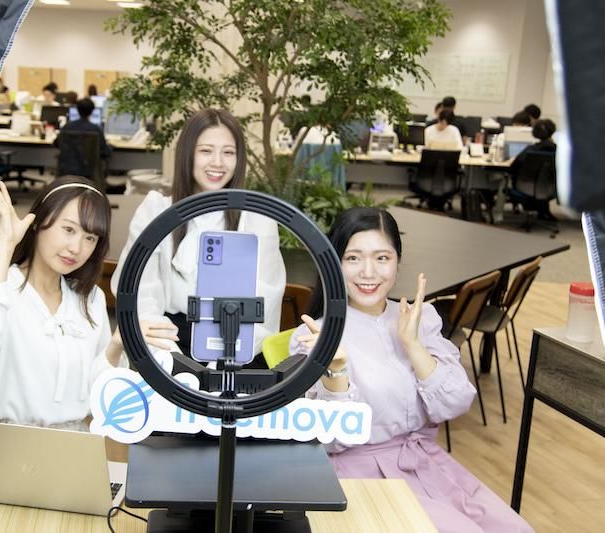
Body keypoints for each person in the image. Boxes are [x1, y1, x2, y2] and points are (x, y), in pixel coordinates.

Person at [289, 207, 534, 533]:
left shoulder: (420, 318)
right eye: (353, 258)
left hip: (426, 464)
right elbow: (330, 440)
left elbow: (456, 403)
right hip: (358, 478)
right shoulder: (314, 335)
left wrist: (413, 344)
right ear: (335, 263)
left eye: (381, 258)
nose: (368, 272)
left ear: (398, 261)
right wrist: (337, 372)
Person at [0, 176, 177, 429]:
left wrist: (115, 346)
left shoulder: (90, 298)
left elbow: (99, 393)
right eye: (69, 230)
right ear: (39, 222)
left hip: (75, 436)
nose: (76, 248)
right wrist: (5, 246)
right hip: (8, 437)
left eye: (90, 238)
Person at [111, 108, 286, 362]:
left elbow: (265, 301)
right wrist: (171, 363)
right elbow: (141, 295)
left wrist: (223, 364)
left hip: (237, 347)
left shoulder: (258, 220)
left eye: (228, 152)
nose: (218, 162)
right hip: (166, 343)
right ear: (188, 153)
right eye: (206, 151)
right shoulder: (156, 211)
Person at [509, 119, 557, 221]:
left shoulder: (530, 150)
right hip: (550, 188)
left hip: (524, 187)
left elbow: (513, 168)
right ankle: (543, 211)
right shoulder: (558, 151)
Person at [56, 97, 112, 176]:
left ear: (77, 110)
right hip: (89, 171)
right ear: (92, 111)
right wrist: (110, 147)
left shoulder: (67, 126)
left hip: (68, 168)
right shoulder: (95, 129)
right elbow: (105, 151)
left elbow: (57, 143)